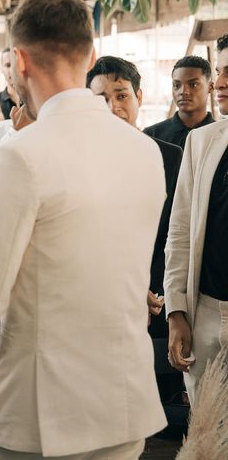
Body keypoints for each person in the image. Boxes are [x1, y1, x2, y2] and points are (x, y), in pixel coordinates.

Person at [0, 0, 167, 460]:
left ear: (19, 61)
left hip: (36, 415)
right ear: (90, 55)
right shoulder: (145, 151)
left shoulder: (20, 154)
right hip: (123, 406)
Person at [86, 55, 185, 422]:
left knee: (160, 411)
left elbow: (178, 234)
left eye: (122, 95)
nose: (113, 107)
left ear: (139, 97)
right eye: (101, 99)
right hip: (100, 301)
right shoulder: (80, 160)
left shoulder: (172, 157)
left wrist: (156, 293)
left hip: (160, 299)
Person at [165, 34, 228, 405]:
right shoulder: (202, 142)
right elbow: (181, 232)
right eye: (219, 72)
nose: (220, 83)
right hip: (205, 310)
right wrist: (176, 311)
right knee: (205, 431)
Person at [144, 55, 214, 149]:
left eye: (193, 84)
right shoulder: (152, 135)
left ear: (210, 87)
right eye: (177, 85)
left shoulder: (221, 136)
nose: (183, 92)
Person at [0, 48, 21, 119]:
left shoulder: (33, 100)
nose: (13, 70)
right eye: (8, 65)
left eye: (16, 64)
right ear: (2, 69)